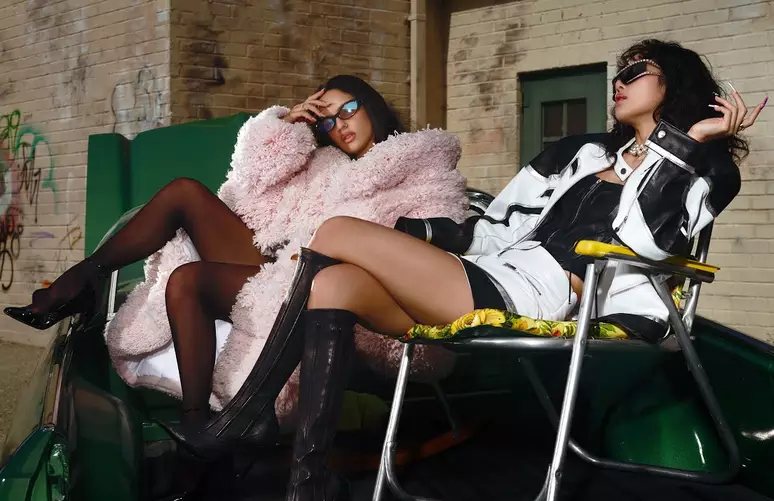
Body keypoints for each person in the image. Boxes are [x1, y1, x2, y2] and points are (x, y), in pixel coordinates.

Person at [189, 39, 764, 501]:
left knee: (335, 229)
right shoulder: (581, 153)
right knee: (333, 282)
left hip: (548, 293)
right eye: (620, 69)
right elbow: (493, 229)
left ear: (675, 85)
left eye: (637, 70)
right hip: (496, 271)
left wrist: (684, 143)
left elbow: (646, 241)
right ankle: (310, 484)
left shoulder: (705, 169)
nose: (620, 78)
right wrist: (413, 230)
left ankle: (250, 413)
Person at [3, 75, 468, 452]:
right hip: (281, 268)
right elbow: (254, 189)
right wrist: (287, 127)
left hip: (337, 291)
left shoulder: (421, 165)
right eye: (327, 120)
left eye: (348, 109)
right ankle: (83, 282)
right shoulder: (325, 164)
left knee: (188, 280)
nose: (339, 126)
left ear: (372, 104)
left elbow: (434, 245)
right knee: (185, 192)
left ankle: (196, 422)